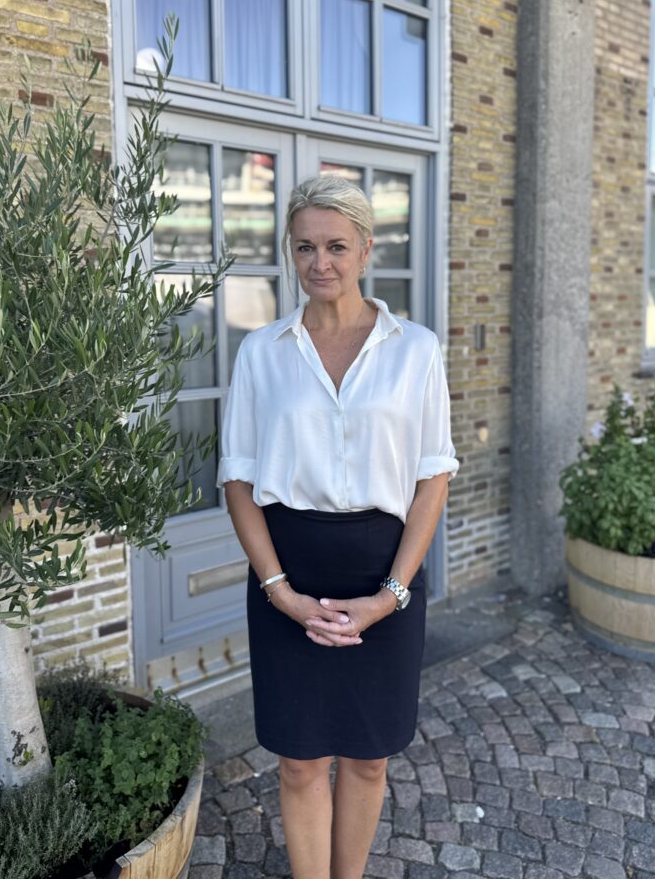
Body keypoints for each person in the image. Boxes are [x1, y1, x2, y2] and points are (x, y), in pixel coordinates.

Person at [217, 173, 459, 879]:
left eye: (335, 246)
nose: (319, 262)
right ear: (290, 253)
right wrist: (281, 593)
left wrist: (390, 595)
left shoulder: (416, 349)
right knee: (298, 763)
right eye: (304, 247)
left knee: (368, 757)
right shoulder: (262, 351)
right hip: (287, 569)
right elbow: (238, 480)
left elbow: (432, 478)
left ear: (366, 249)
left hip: (385, 568)